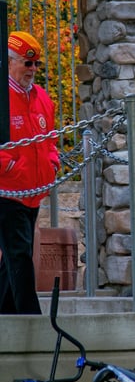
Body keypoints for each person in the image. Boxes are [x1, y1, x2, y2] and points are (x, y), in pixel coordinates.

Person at [0, 31, 59, 314]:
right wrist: (8, 165)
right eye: (27, 63)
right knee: (20, 255)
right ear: (10, 62)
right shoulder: (2, 96)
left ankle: (6, 316)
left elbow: (51, 139)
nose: (33, 70)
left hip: (32, 190)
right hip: (7, 190)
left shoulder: (43, 98)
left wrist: (53, 162)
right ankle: (31, 321)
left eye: (36, 65)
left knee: (13, 258)